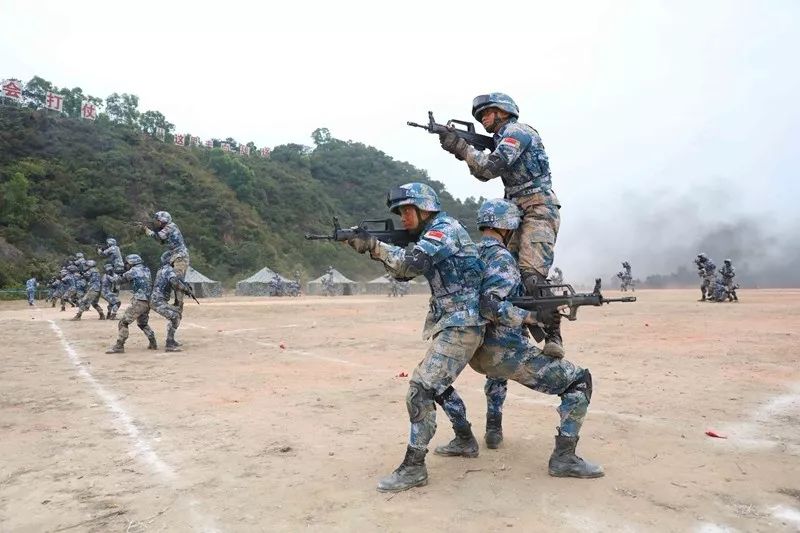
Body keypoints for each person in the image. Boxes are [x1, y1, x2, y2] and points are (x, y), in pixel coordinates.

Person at [435, 199, 603, 478]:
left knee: (436, 380)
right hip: (504, 352)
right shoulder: (503, 260)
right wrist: (534, 318)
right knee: (579, 381)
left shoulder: (471, 255)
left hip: (472, 349)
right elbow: (492, 306)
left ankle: (479, 433)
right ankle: (564, 457)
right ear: (510, 228)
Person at [344, 182, 486, 492]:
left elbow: (408, 266)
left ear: (425, 208)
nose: (402, 217)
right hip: (455, 321)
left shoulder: (443, 230)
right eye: (399, 212)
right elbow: (401, 271)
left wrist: (373, 246)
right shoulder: (434, 231)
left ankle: (414, 467)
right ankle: (465, 439)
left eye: (407, 210)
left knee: (421, 390)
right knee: (438, 385)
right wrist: (375, 247)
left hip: (462, 323)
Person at [438, 92, 564, 357]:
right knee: (508, 275)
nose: (484, 118)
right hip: (513, 211)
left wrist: (462, 148)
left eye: (487, 112)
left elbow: (490, 168)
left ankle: (553, 336)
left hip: (538, 207)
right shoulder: (499, 140)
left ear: (504, 111)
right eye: (480, 115)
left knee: (531, 275)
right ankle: (514, 334)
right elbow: (483, 173)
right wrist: (464, 151)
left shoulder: (517, 132)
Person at [106, 254, 157, 354]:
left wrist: (112, 274)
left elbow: (118, 281)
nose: (126, 265)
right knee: (142, 323)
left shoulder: (133, 271)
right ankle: (153, 342)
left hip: (139, 301)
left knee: (123, 322)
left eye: (127, 263)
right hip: (148, 301)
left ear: (132, 263)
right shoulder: (146, 269)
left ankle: (119, 346)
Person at [142, 211, 190, 311]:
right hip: (173, 255)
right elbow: (161, 241)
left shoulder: (170, 226)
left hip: (180, 256)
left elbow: (159, 237)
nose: (157, 222)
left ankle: (179, 305)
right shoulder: (167, 228)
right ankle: (168, 299)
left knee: (177, 280)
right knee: (168, 277)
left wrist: (148, 231)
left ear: (163, 220)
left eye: (158, 220)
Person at [150, 251, 193, 352]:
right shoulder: (169, 271)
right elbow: (174, 283)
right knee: (175, 316)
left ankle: (171, 340)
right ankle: (169, 344)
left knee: (175, 314)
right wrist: (186, 289)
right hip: (157, 301)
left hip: (157, 300)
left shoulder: (162, 269)